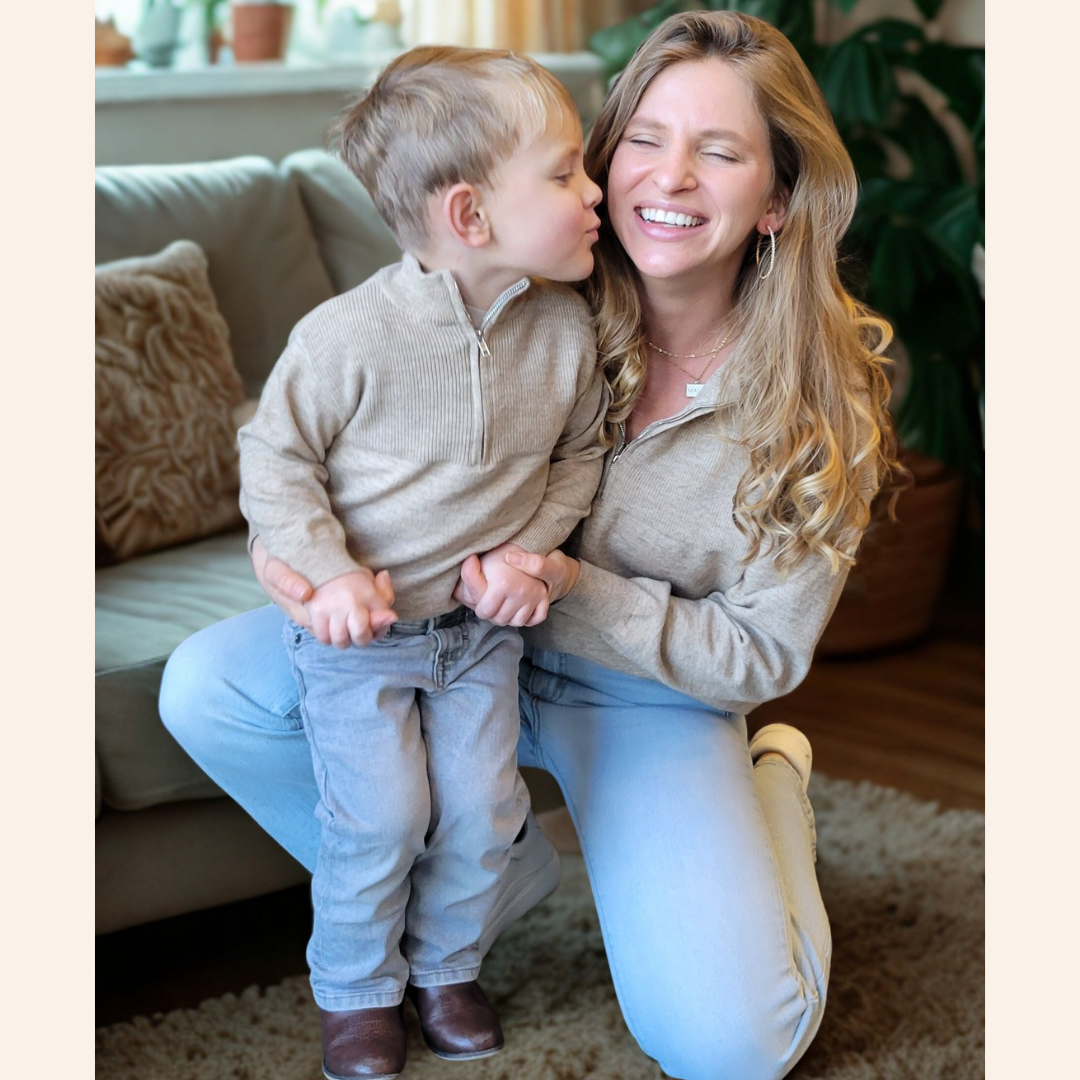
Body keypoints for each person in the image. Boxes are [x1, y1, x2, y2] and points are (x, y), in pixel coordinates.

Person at [160, 11, 903, 1080]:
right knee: (207, 687)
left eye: (720, 151)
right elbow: (330, 446)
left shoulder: (821, 406)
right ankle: (483, 877)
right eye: (644, 138)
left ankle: (772, 792)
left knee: (734, 1049)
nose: (669, 176)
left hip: (639, 695)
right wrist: (303, 570)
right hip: (441, 647)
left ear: (778, 199)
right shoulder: (529, 279)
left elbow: (764, 655)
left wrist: (569, 584)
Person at [232, 44, 609, 1080]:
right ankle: (357, 992)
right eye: (566, 172)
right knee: (383, 819)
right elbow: (274, 459)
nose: (595, 191)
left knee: (486, 811)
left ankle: (446, 968)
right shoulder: (345, 337)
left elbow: (582, 455)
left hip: (480, 637)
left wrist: (530, 551)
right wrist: (327, 571)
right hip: (361, 643)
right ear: (470, 216)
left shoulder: (567, 331)